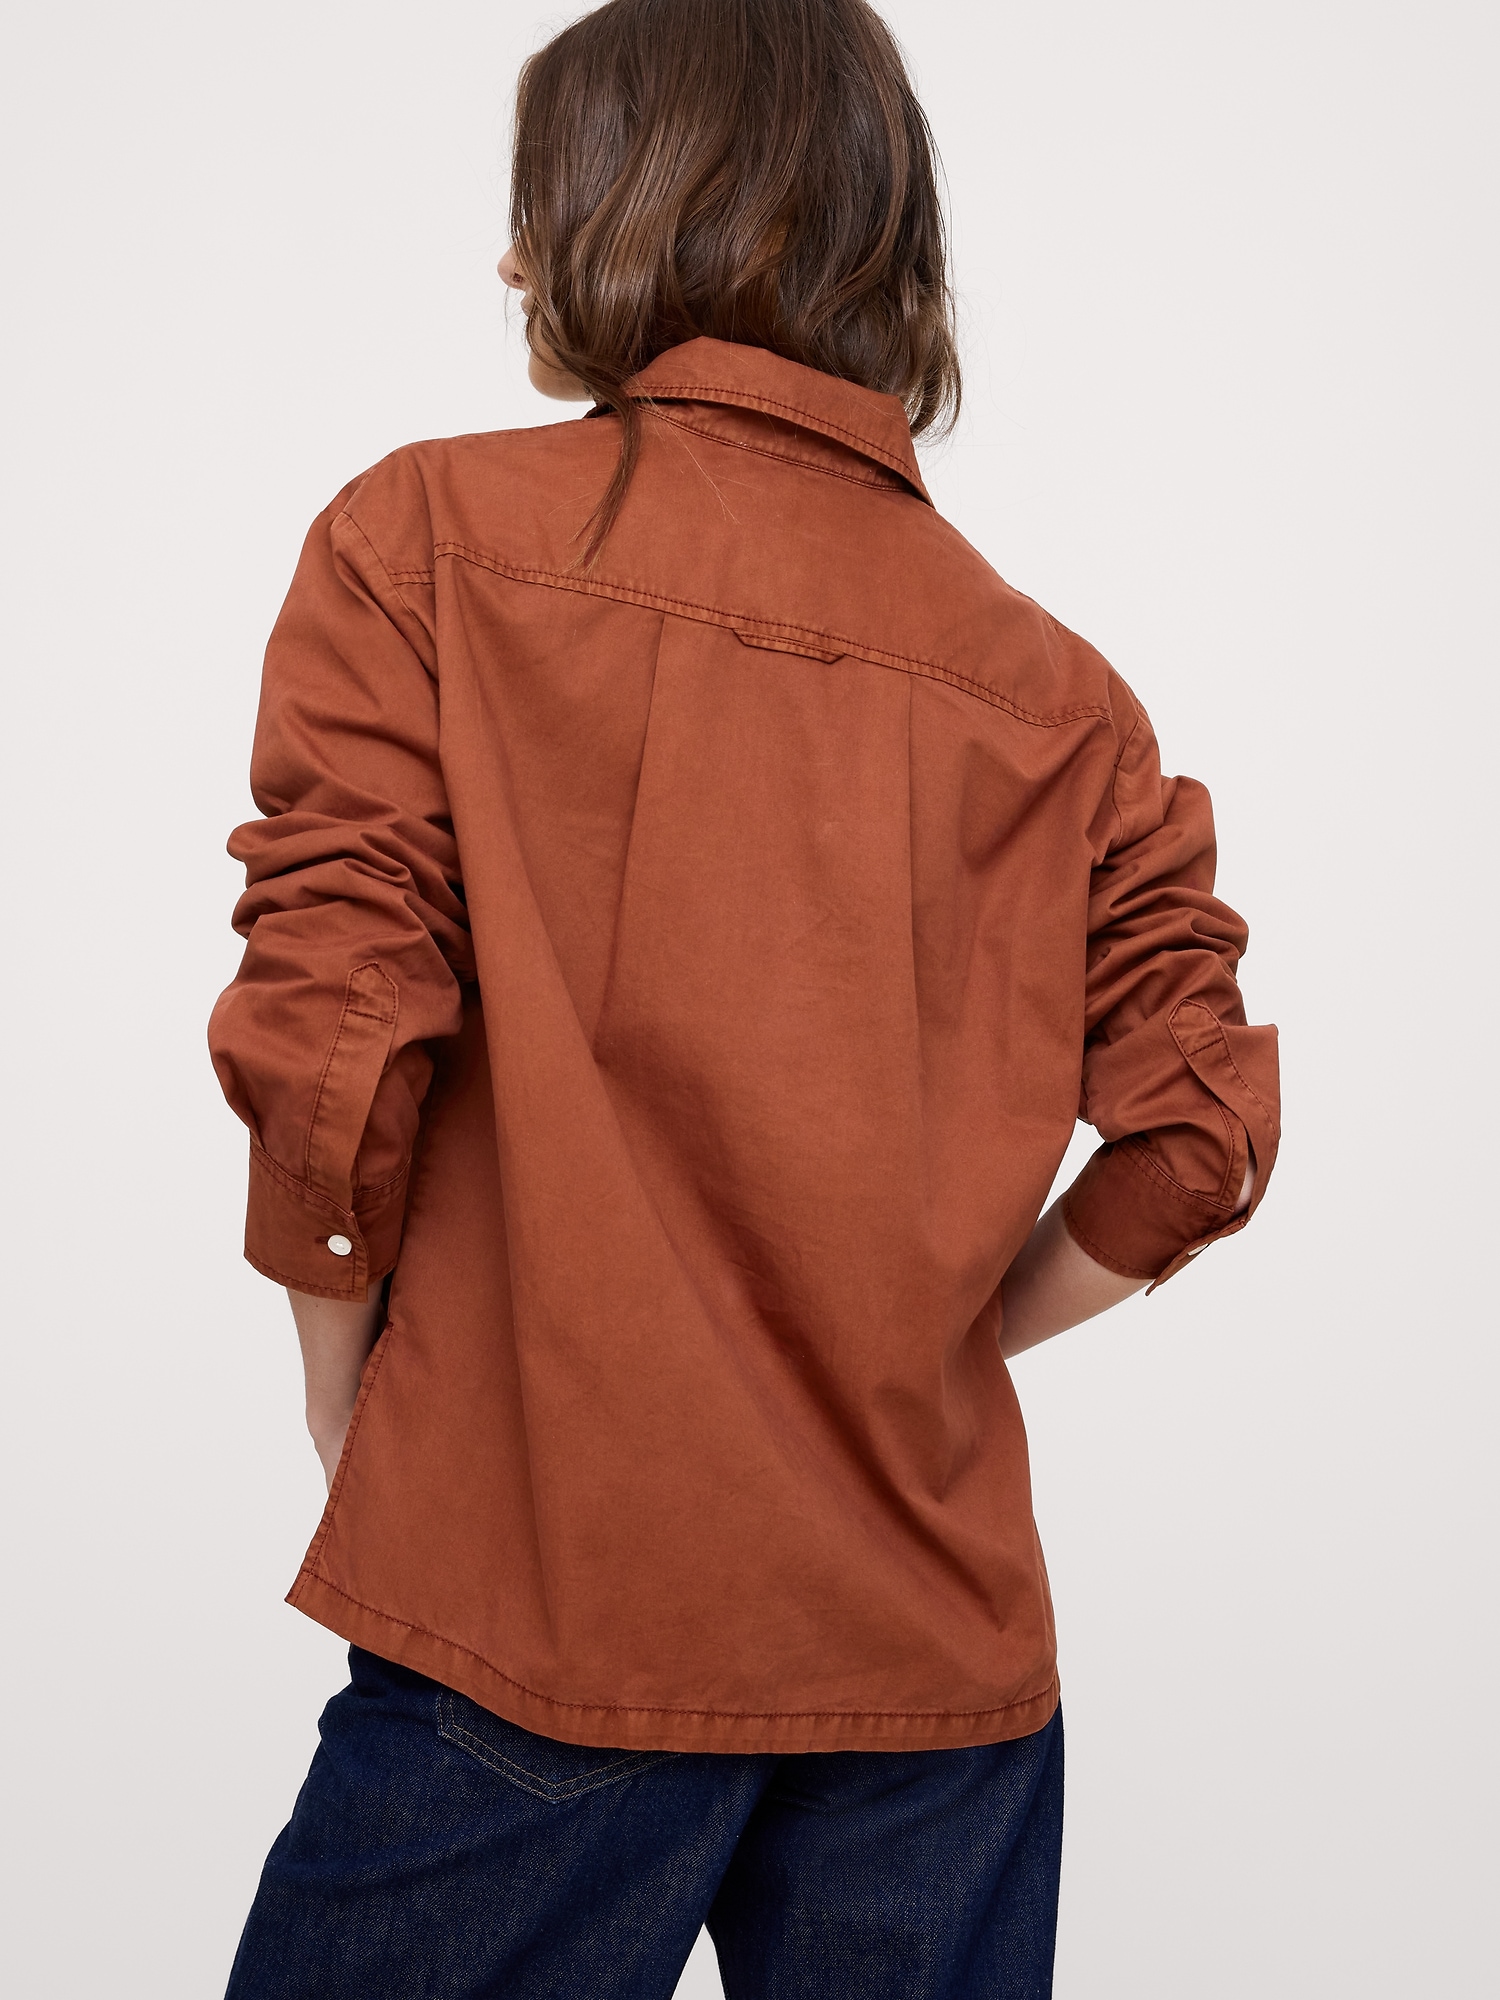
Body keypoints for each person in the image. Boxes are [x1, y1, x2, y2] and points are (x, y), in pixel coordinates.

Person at [208, 0, 1280, 1992]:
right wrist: (936, 1356)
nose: (510, 258)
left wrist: (347, 1383)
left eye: (537, 203)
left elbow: (339, 1026)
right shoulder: (1065, 699)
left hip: (546, 1594)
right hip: (940, 1672)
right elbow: (1198, 1134)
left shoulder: (425, 541)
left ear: (630, 212)